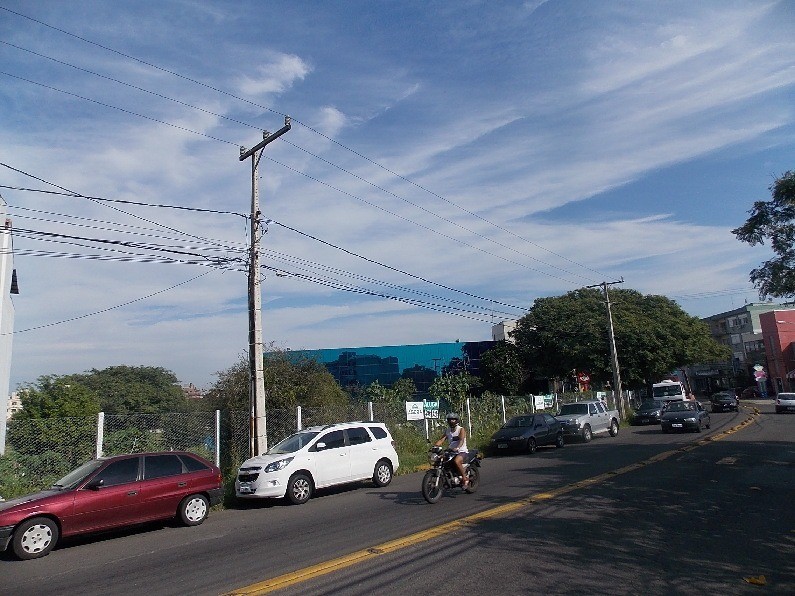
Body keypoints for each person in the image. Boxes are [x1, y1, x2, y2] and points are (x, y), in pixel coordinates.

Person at [435, 412, 469, 489]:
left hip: (461, 451)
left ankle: (465, 478)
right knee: (441, 460)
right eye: (450, 420)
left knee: (457, 461)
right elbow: (441, 440)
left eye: (453, 419)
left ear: (457, 420)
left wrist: (457, 447)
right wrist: (435, 446)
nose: (451, 421)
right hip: (451, 451)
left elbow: (461, 440)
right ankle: (447, 478)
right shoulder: (448, 430)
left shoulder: (461, 429)